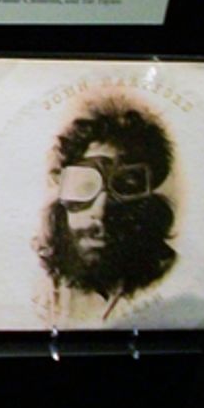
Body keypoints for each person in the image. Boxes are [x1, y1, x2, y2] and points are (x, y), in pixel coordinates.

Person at [33, 98, 177, 326]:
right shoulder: (40, 289)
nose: (100, 213)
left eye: (127, 186)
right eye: (83, 186)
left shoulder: (173, 290)